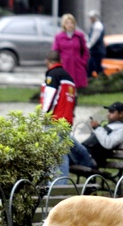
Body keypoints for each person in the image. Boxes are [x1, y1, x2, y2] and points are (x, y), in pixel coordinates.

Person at [40, 50, 96, 181]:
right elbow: (74, 99)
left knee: (58, 156)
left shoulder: (52, 75)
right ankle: (87, 161)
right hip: (66, 120)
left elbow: (50, 95)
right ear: (60, 61)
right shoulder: (69, 77)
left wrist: (43, 115)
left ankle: (58, 188)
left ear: (47, 62)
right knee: (67, 146)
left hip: (55, 120)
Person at [82, 102, 123, 167]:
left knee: (67, 140)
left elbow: (108, 143)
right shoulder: (114, 126)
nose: (108, 115)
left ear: (121, 114)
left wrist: (98, 128)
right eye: (108, 112)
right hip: (85, 153)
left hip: (89, 158)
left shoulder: (122, 129)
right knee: (65, 152)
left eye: (111, 112)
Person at [51, 13, 89, 91]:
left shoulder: (79, 36)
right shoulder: (59, 37)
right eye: (67, 23)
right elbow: (55, 51)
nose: (70, 25)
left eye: (71, 23)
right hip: (65, 65)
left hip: (78, 65)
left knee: (76, 87)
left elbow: (85, 51)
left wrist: (83, 62)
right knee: (65, 85)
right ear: (63, 24)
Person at [85, 10, 105, 78]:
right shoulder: (95, 25)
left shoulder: (97, 26)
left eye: (91, 17)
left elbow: (94, 39)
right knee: (96, 68)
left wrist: (87, 46)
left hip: (97, 51)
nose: (90, 19)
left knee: (93, 67)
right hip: (95, 51)